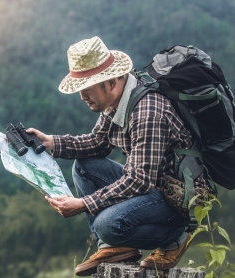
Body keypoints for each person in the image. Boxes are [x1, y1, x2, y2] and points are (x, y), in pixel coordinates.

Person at [27, 36, 209, 276]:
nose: (83, 97)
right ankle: (113, 246)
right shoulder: (117, 102)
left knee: (107, 224)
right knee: (84, 167)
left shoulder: (147, 112)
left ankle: (175, 236)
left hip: (178, 198)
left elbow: (139, 180)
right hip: (153, 186)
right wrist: (51, 142)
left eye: (87, 89)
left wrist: (84, 204)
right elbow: (97, 144)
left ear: (111, 82)